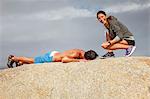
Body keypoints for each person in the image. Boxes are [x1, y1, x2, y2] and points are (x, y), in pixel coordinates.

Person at [7, 49, 98, 68]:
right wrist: (79, 60)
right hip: (51, 57)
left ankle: (20, 62)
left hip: (55, 54)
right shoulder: (76, 54)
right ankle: (13, 58)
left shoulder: (83, 51)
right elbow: (64, 60)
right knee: (33, 60)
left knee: (34, 63)